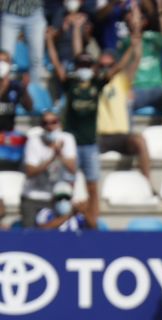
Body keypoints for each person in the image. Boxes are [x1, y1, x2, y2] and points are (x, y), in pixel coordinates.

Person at [45, 49, 108, 212]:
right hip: (71, 144)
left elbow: (117, 70)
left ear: (93, 67)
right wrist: (50, 43)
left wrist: (134, 43)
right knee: (66, 186)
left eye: (87, 65)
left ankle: (92, 221)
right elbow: (57, 66)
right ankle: (65, 219)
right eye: (81, 65)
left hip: (90, 144)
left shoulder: (96, 84)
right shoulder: (70, 83)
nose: (84, 68)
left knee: (92, 186)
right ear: (76, 66)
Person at [97, 43, 154, 185]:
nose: (106, 69)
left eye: (110, 66)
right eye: (102, 66)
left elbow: (135, 61)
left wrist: (135, 43)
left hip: (122, 136)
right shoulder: (94, 83)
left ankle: (147, 184)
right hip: (99, 136)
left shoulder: (121, 80)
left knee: (139, 140)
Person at [121, 3, 162, 127]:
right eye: (132, 17)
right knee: (124, 102)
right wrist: (136, 25)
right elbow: (134, 40)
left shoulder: (153, 37)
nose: (135, 20)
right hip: (136, 89)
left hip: (157, 88)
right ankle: (128, 138)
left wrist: (160, 11)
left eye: (139, 18)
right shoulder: (126, 42)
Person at [21, 112, 78, 227]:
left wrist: (60, 154)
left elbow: (72, 169)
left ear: (59, 123)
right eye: (45, 123)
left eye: (53, 122)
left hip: (56, 197)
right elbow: (30, 172)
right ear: (41, 126)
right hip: (33, 197)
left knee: (56, 236)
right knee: (30, 237)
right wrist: (51, 158)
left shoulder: (67, 139)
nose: (49, 126)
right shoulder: (33, 141)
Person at [0, 0, 46, 84]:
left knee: (37, 60)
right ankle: (2, 93)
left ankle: (35, 94)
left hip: (34, 12)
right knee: (3, 61)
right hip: (10, 12)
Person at [0, 50, 32, 170]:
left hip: (8, 137)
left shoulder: (15, 86)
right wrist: (2, 85)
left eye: (5, 61)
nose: (2, 64)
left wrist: (25, 89)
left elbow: (29, 107)